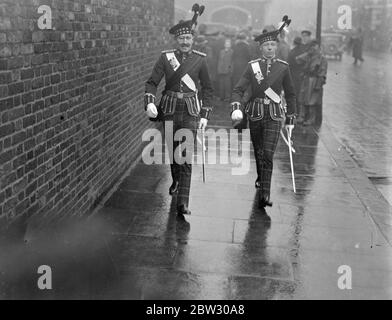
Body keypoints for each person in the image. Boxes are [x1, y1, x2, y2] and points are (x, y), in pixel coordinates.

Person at [144, 17, 214, 216]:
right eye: (181, 38)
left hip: (191, 110)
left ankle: (183, 201)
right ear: (176, 39)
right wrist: (149, 102)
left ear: (193, 39)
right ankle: (176, 179)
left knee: (186, 156)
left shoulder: (200, 59)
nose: (185, 42)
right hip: (169, 109)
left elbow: (208, 89)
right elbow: (152, 82)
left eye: (188, 38)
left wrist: (205, 114)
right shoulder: (166, 58)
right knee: (174, 152)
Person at [230, 23, 297, 209]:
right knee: (259, 151)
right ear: (261, 48)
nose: (270, 48)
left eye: (273, 45)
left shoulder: (283, 68)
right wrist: (236, 106)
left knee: (268, 153)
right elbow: (238, 89)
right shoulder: (252, 67)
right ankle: (261, 177)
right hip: (256, 114)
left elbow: (291, 94)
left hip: (275, 115)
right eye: (267, 46)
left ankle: (265, 193)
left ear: (276, 47)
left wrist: (291, 118)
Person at [296, 39, 328, 126]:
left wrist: (318, 84)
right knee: (302, 99)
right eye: (312, 46)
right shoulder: (309, 56)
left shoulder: (322, 58)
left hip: (315, 81)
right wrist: (308, 53)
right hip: (306, 80)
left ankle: (311, 119)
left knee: (312, 102)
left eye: (315, 46)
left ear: (319, 47)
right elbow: (298, 59)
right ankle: (301, 117)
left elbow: (322, 72)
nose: (313, 48)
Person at [288, 36, 306, 124]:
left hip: (294, 77)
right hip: (302, 76)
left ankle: (295, 113)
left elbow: (288, 65)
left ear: (294, 43)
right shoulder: (304, 52)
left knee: (294, 96)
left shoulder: (292, 52)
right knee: (302, 96)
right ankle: (301, 114)